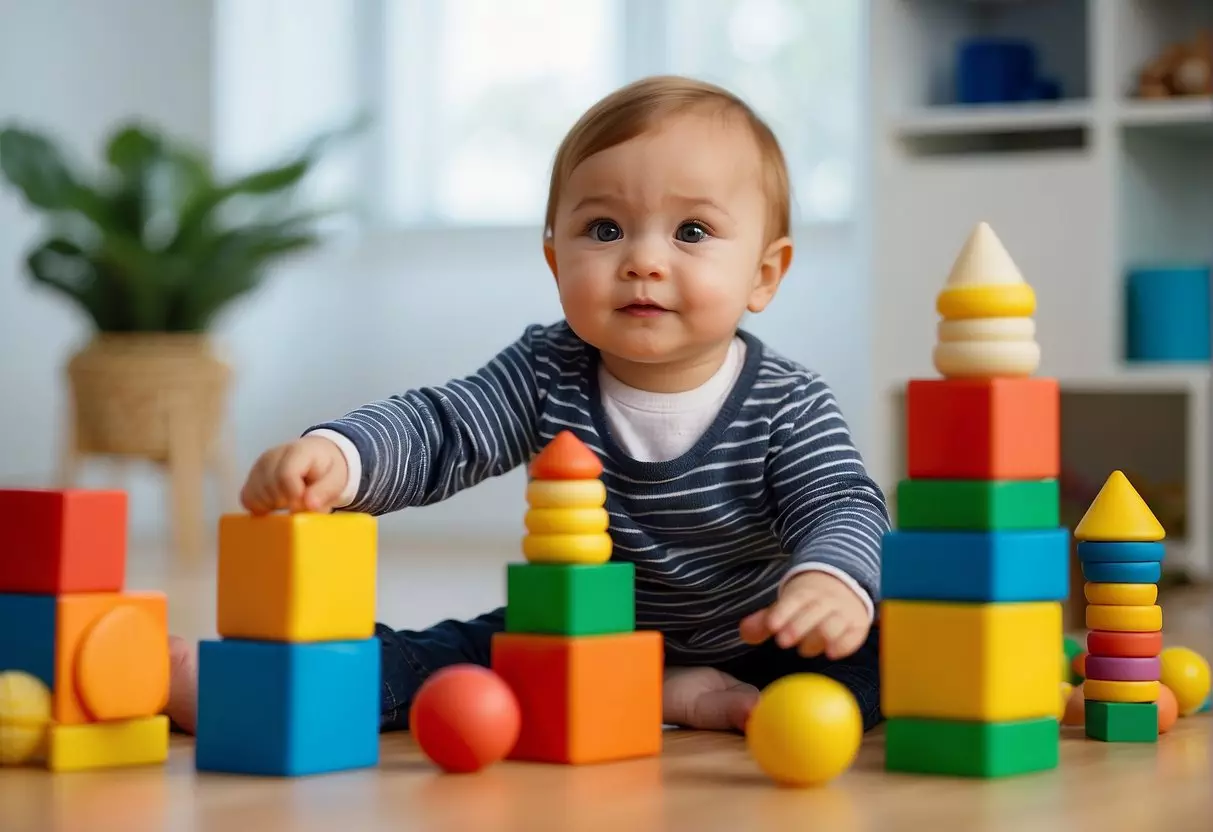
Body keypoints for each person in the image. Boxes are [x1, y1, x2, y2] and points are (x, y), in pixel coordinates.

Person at [164, 74, 889, 737]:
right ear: (554, 259)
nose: (642, 259)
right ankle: (261, 686)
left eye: (690, 232)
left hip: (768, 639)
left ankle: (682, 688)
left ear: (763, 275)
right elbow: (443, 427)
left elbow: (843, 503)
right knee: (443, 660)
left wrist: (829, 581)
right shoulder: (548, 371)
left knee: (883, 663)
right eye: (603, 230)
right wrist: (343, 457)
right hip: (573, 635)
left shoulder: (787, 403)